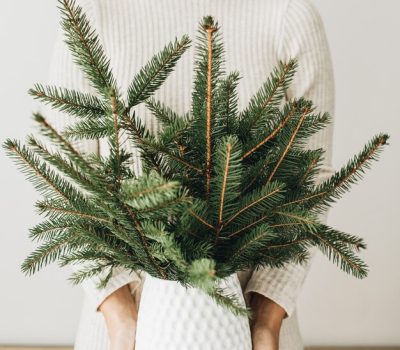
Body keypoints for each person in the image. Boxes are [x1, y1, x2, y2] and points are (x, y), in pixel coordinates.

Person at [45, 0, 335, 349]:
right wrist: (120, 316)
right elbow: (69, 179)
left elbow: (312, 181)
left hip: (254, 336)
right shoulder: (91, 12)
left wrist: (265, 321)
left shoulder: (288, 15)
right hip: (119, 337)